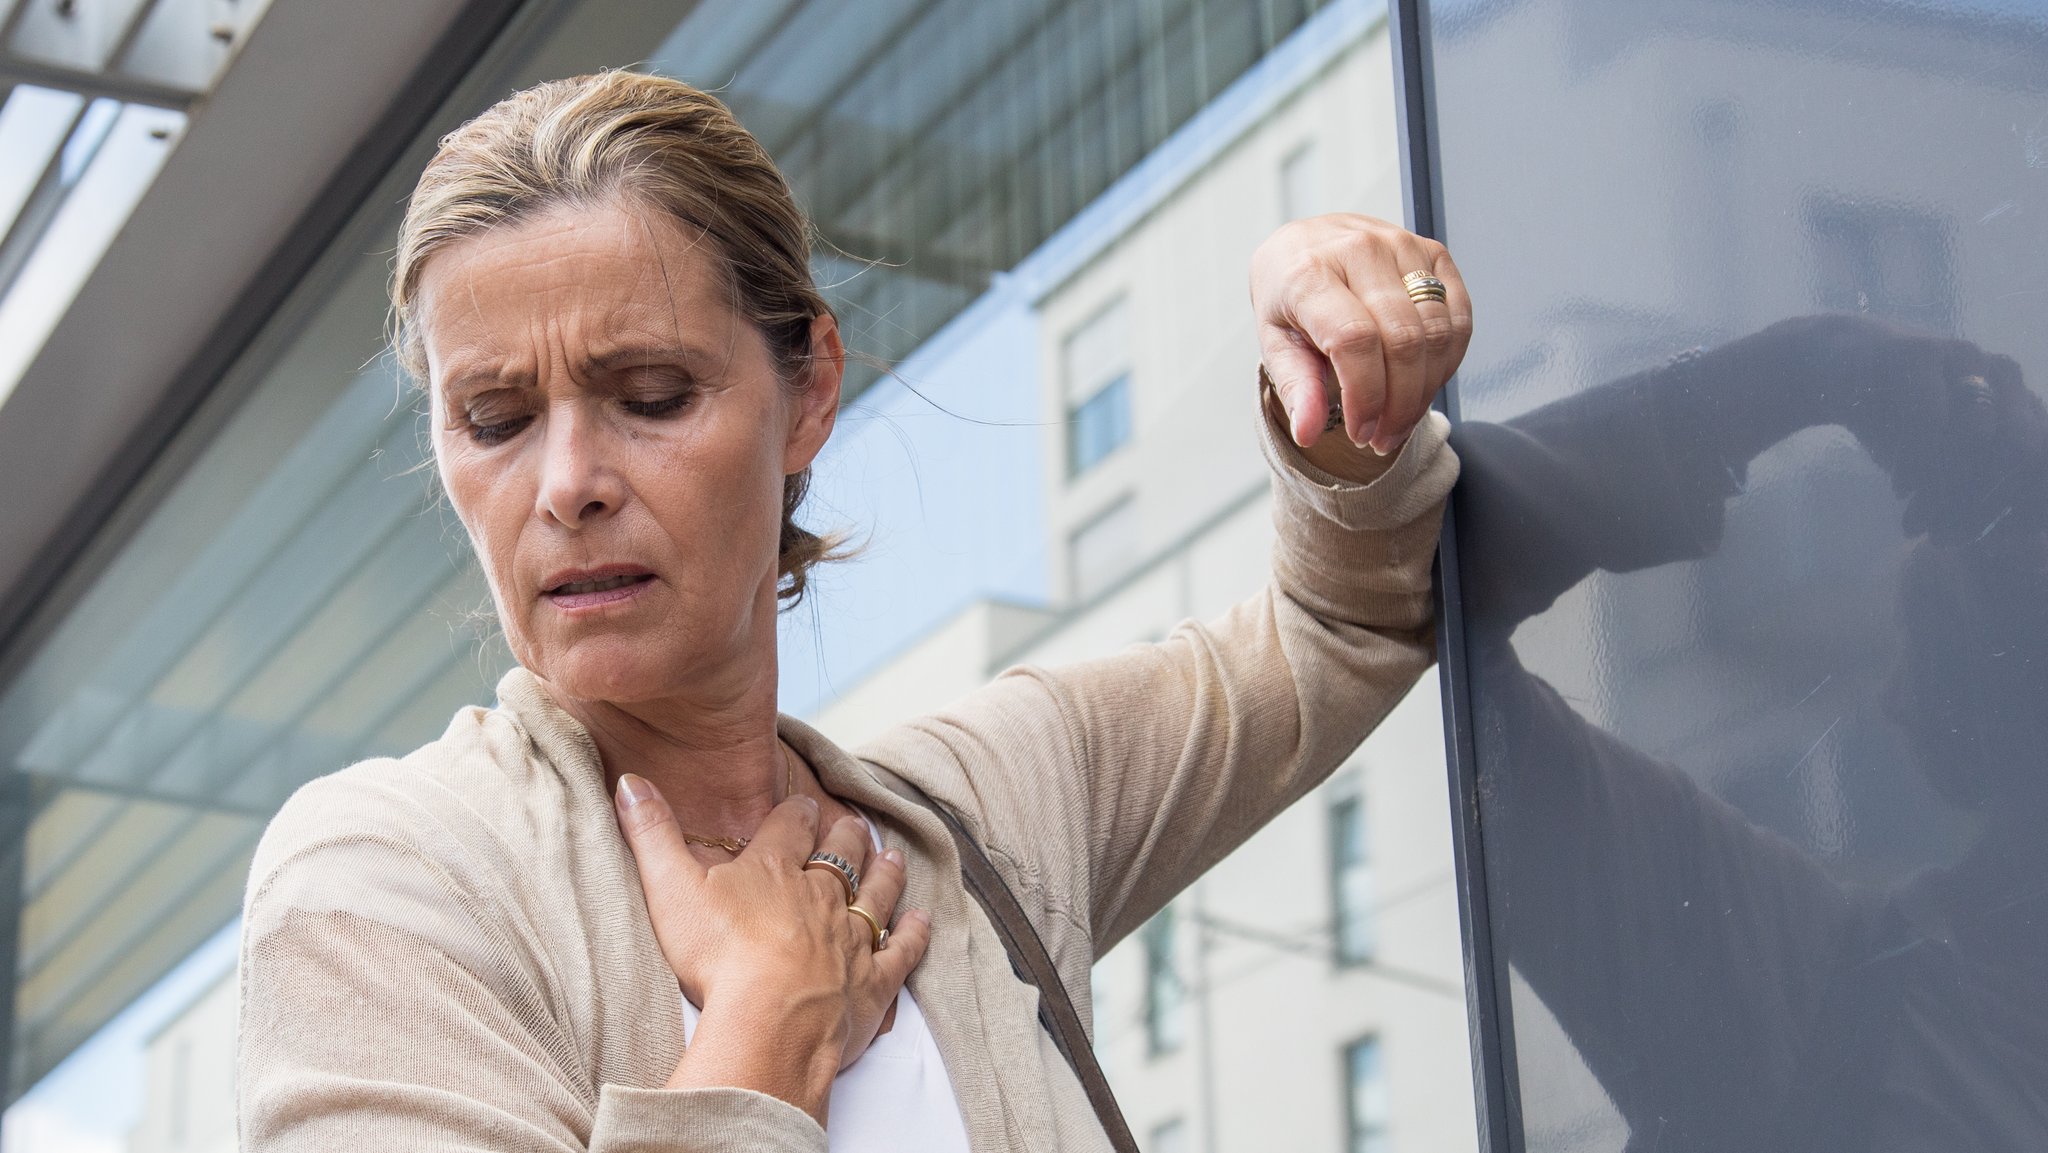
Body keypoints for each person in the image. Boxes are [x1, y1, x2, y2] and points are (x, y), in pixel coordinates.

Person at [234, 70, 1469, 1152]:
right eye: (494, 420)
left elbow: (1338, 629)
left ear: (811, 387)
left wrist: (1340, 338)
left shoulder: (982, 817)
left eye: (651, 395)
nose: (566, 485)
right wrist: (769, 1027)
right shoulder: (388, 882)